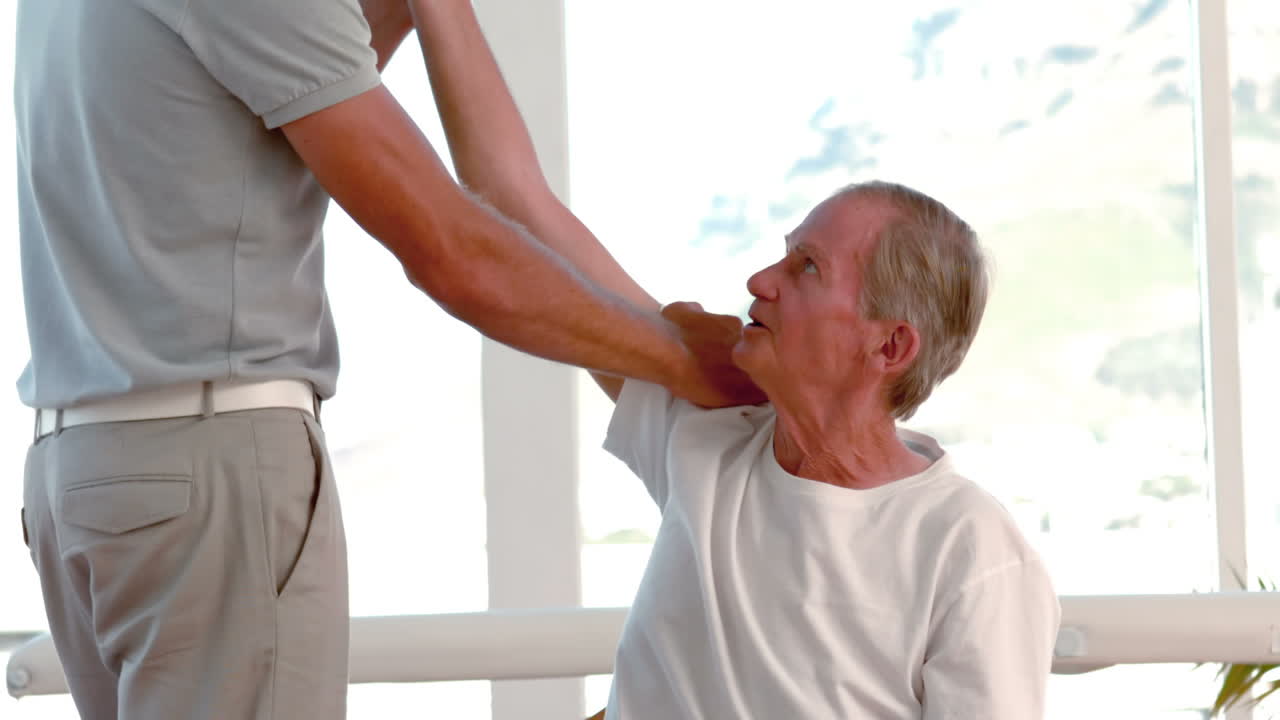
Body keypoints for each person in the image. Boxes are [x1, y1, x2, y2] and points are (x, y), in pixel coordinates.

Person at [13, 1, 760, 719]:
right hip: (206, 472)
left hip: (82, 467)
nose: (766, 285)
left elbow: (275, 104)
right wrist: (681, 358)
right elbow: (456, 249)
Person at [411, 2, 1062, 717]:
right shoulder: (709, 437)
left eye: (807, 267)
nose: (760, 281)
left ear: (890, 345)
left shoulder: (968, 548)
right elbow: (511, 198)